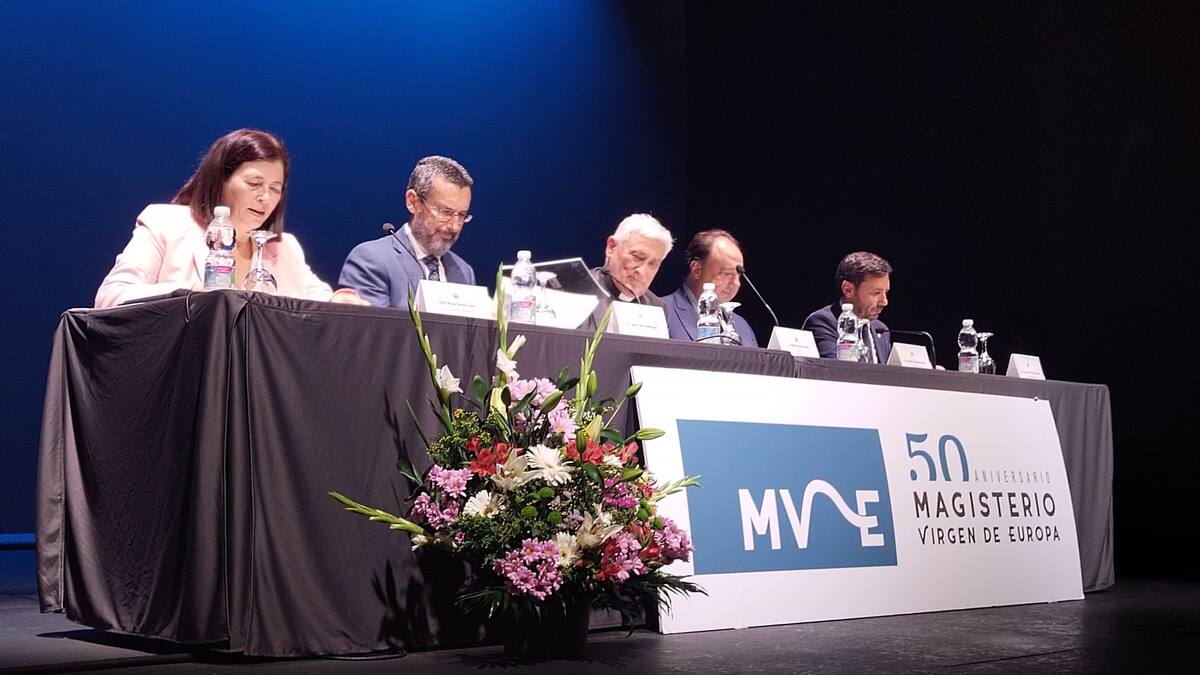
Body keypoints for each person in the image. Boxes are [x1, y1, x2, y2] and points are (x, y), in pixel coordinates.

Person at [95, 128, 362, 308]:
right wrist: (194, 292)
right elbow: (111, 296)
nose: (265, 198)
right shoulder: (166, 224)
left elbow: (321, 302)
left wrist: (344, 299)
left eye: (274, 188)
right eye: (254, 183)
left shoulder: (284, 247)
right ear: (221, 180)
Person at [338, 156, 476, 307]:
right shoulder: (371, 260)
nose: (454, 227)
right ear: (413, 202)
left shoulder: (464, 271)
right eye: (445, 212)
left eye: (462, 215)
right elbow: (372, 328)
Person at [665, 229, 758, 347]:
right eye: (727, 274)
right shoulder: (662, 312)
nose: (735, 283)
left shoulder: (743, 327)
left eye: (738, 276)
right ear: (697, 270)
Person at [802, 251, 893, 363]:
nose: (884, 302)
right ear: (848, 290)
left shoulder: (881, 330)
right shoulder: (823, 322)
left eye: (886, 292)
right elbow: (838, 371)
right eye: (876, 293)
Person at [589, 214, 672, 324]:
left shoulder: (656, 308)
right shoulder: (575, 291)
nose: (641, 272)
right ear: (611, 247)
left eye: (653, 264)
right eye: (637, 257)